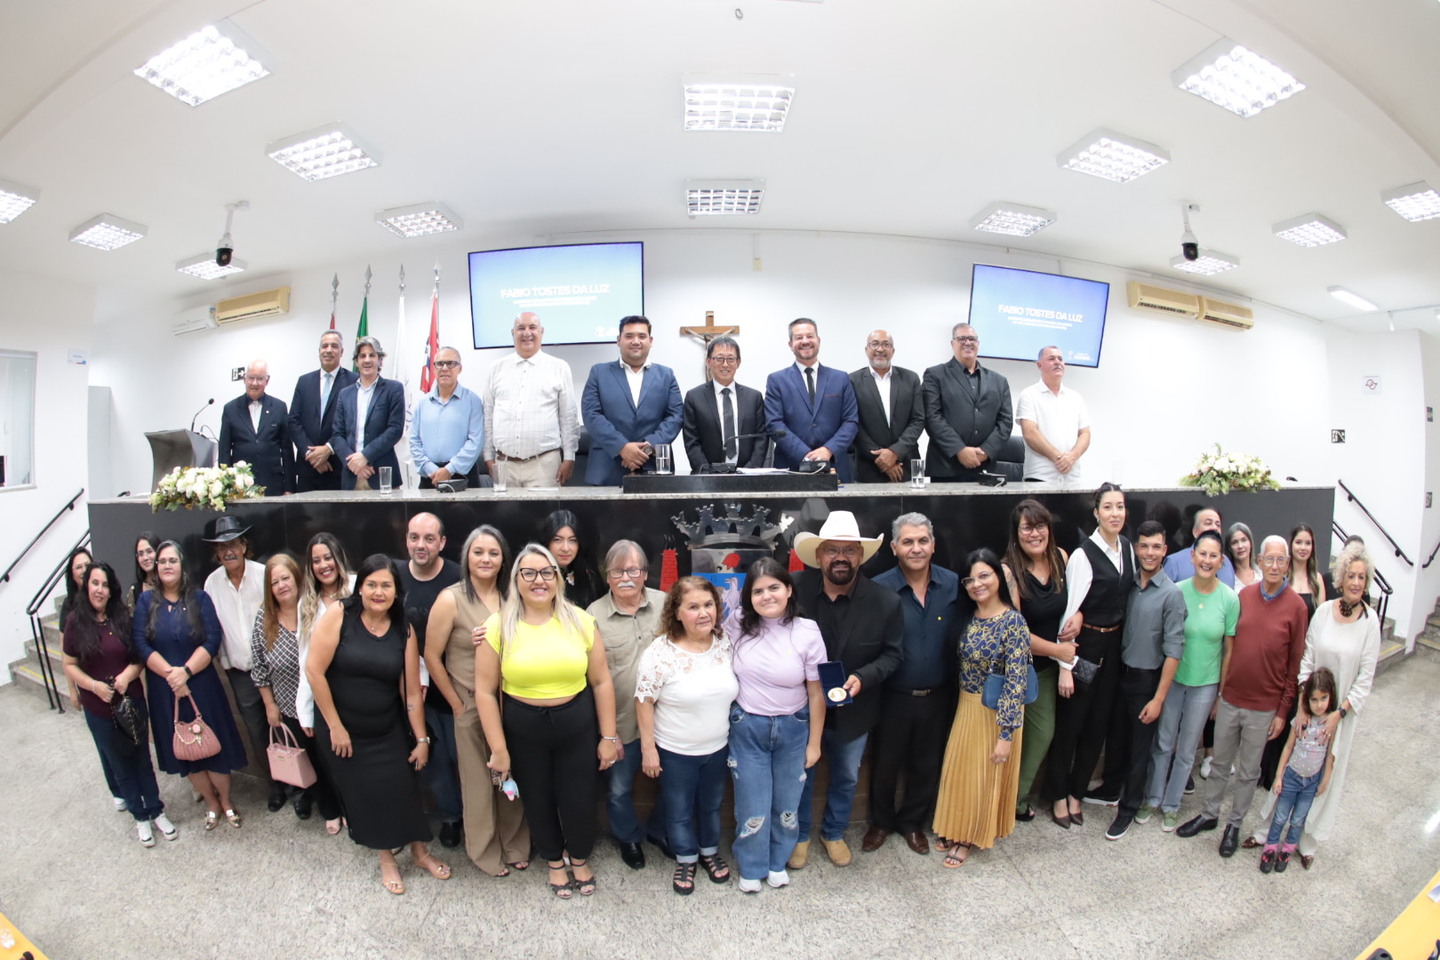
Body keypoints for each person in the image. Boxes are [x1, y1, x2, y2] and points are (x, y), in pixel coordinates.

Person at [473, 544, 621, 899]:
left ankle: (579, 858)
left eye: (546, 572)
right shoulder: (497, 626)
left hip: (576, 725)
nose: (538, 580)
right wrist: (498, 749)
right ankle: (554, 861)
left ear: (558, 578)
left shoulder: (581, 621)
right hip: (523, 729)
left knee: (579, 798)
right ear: (516, 579)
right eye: (528, 573)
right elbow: (484, 692)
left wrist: (608, 737)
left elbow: (602, 681)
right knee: (537, 799)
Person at [307, 554, 449, 895]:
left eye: (386, 585)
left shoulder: (404, 629)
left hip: (387, 729)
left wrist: (422, 739)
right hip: (343, 731)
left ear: (396, 591)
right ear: (360, 587)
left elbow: (411, 692)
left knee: (404, 790)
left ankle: (419, 853)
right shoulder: (340, 615)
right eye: (371, 584)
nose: (378, 592)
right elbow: (314, 670)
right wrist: (335, 726)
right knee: (368, 796)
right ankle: (387, 859)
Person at [1245, 541, 1381, 870]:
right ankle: (1266, 831)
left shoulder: (1370, 622)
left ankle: (1307, 840)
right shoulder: (1323, 612)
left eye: (1361, 577)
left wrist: (1338, 714)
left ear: (1367, 582)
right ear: (1341, 577)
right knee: (1290, 769)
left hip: (1341, 716)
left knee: (1324, 777)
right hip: (1309, 706)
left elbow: (1365, 678)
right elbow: (1306, 658)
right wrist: (1304, 704)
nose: (1355, 582)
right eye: (1351, 575)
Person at [1178, 535, 1307, 857]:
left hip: (1264, 706)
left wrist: (1282, 711)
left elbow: (1295, 664)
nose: (1274, 565)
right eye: (1269, 559)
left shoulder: (1297, 607)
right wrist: (1221, 693)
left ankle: (1234, 824)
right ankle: (1209, 814)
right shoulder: (1243, 596)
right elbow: (1229, 645)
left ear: (1287, 565)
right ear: (1259, 561)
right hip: (1232, 697)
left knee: (1249, 772)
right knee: (1219, 762)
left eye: (1281, 560)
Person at [791, 510, 903, 868]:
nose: (841, 557)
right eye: (832, 550)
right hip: (802, 707)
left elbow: (893, 655)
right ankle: (799, 835)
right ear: (819, 555)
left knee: (846, 776)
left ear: (861, 556)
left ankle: (834, 832)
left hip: (856, 710)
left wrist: (864, 677)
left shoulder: (886, 601)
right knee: (801, 775)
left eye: (850, 550)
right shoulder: (793, 591)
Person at [425, 525, 531, 877]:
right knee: (477, 784)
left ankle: (515, 844)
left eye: (493, 553)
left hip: (510, 702)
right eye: (478, 552)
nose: (486, 559)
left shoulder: (513, 597)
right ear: (466, 557)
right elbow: (431, 656)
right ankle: (484, 852)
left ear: (504, 559)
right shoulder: (450, 599)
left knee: (510, 776)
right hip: (470, 704)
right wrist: (456, 703)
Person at [723, 558, 826, 893]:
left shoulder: (807, 630)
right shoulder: (737, 623)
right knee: (752, 803)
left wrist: (814, 743)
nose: (766, 596)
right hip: (748, 726)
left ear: (789, 590)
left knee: (787, 803)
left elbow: (817, 692)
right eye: (758, 591)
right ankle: (751, 866)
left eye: (774, 588)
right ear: (748, 597)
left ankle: (777, 862)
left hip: (794, 728)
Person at [134, 541, 248, 830]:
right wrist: (172, 676)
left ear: (182, 565)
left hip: (201, 684)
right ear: (156, 568)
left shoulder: (200, 598)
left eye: (172, 560)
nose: (167, 566)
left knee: (214, 749)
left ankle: (226, 801)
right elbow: (141, 644)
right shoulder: (146, 602)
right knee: (187, 752)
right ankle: (211, 803)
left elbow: (212, 639)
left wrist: (185, 672)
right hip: (165, 690)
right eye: (162, 561)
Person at [635, 577, 739, 895]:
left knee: (711, 805)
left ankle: (709, 852)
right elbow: (644, 701)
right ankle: (686, 858)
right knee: (679, 811)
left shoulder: (724, 642)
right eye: (693, 607)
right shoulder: (660, 652)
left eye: (708, 605)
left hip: (717, 748)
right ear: (677, 612)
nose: (703, 613)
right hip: (675, 752)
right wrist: (649, 750)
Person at [865, 512, 958, 855]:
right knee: (885, 764)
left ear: (933, 545)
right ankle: (881, 822)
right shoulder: (879, 588)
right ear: (894, 548)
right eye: (907, 542)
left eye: (922, 541)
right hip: (892, 696)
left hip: (938, 694)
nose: (916, 548)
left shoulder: (953, 584)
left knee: (926, 764)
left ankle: (912, 823)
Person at [62, 561, 174, 846]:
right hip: (99, 709)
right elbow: (70, 664)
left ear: (112, 590)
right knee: (119, 765)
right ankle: (140, 816)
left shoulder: (123, 617)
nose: (99, 590)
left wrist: (126, 676)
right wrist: (92, 686)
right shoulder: (75, 622)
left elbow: (139, 658)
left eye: (105, 585)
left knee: (142, 759)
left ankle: (156, 810)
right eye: (94, 583)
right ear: (86, 586)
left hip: (131, 703)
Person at [932, 548, 1032, 867]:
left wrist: (1006, 735)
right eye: (970, 579)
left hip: (995, 712)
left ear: (998, 577)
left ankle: (968, 836)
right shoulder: (968, 616)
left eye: (984, 575)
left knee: (980, 776)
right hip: (966, 705)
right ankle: (954, 826)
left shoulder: (1013, 622)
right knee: (959, 771)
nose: (977, 584)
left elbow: (1016, 681)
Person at [1044, 482, 1132, 828]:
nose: (1115, 513)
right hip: (1085, 649)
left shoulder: (1126, 547)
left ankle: (1077, 793)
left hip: (1113, 648)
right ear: (1096, 513)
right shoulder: (1083, 555)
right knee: (1071, 727)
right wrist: (1066, 668)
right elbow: (1069, 613)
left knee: (1097, 728)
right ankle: (1057, 795)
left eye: (1120, 506)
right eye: (1107, 507)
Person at [1141, 530, 1235, 832]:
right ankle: (1152, 798)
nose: (1207, 560)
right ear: (1192, 556)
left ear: (1221, 561)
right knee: (1163, 742)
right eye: (1202, 554)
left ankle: (1172, 805)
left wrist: (1220, 693)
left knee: (1186, 750)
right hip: (1174, 680)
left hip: (1205, 685)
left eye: (1213, 556)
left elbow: (1229, 650)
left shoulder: (1229, 599)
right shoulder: (1176, 591)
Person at [586, 540, 667, 870]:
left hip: (668, 721)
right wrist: (607, 733)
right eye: (618, 571)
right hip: (620, 723)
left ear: (645, 574)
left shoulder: (666, 604)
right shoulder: (593, 615)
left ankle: (660, 830)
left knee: (674, 785)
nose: (626, 578)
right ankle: (628, 837)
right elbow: (591, 678)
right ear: (607, 576)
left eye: (633, 570)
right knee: (618, 790)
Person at [1102, 521, 1185, 841]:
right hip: (1120, 676)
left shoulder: (1172, 595)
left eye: (1156, 547)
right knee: (1117, 741)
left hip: (1147, 682)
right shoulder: (1130, 584)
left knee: (1139, 752)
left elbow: (1174, 651)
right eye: (1145, 546)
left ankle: (1129, 808)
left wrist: (1158, 699)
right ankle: (1111, 790)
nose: (1150, 552)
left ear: (1165, 551)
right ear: (1136, 548)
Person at [249, 553, 340, 828]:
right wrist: (270, 704)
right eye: (274, 582)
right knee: (311, 761)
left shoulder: (311, 609)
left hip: (323, 703)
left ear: (297, 578)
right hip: (289, 708)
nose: (281, 585)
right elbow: (259, 666)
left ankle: (347, 807)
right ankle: (330, 810)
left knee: (332, 760)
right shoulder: (264, 618)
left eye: (285, 578)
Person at [1000, 500, 1076, 821]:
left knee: (1045, 735)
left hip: (1053, 670)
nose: (1035, 534)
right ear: (1016, 533)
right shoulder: (1008, 571)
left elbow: (1074, 604)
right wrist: (1058, 651)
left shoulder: (1061, 558)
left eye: (1040, 526)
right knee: (1010, 740)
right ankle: (1003, 805)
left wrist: (1078, 618)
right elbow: (1016, 633)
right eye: (1027, 528)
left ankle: (1015, 802)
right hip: (1020, 671)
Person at [200, 514, 279, 811]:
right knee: (257, 732)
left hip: (274, 668)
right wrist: (224, 661)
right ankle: (276, 786)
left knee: (286, 726)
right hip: (240, 673)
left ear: (245, 546)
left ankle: (302, 788)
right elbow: (212, 628)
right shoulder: (212, 583)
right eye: (222, 547)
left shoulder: (264, 574)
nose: (228, 551)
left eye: (233, 544)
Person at [397, 512, 464, 848]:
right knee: (435, 764)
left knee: (462, 759)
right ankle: (451, 817)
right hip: (417, 695)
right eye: (414, 537)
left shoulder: (458, 577)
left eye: (428, 538)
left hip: (456, 690)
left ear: (442, 542)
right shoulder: (394, 576)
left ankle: (476, 816)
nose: (420, 545)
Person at [296, 532, 355, 835]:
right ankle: (343, 809)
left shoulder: (357, 587)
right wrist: (305, 709)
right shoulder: (306, 604)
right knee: (335, 760)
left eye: (327, 557)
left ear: (338, 557)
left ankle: (362, 812)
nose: (323, 565)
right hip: (325, 694)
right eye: (316, 560)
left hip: (358, 691)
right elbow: (305, 660)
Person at [580, 315, 683, 485]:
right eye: (629, 336)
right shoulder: (599, 373)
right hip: (607, 468)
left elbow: (676, 416)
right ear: (618, 340)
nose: (636, 341)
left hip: (654, 466)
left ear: (650, 341)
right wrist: (622, 447)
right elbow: (591, 415)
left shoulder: (666, 375)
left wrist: (648, 447)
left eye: (642, 336)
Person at [482, 312, 580, 488]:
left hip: (545, 465)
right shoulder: (496, 369)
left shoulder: (559, 367)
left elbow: (568, 417)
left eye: (532, 327)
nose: (527, 333)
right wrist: (488, 456)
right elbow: (488, 416)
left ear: (541, 331)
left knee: (545, 508)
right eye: (521, 328)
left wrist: (569, 458)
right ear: (513, 333)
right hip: (504, 464)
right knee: (504, 508)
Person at [1259, 667, 1338, 874]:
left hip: (1311, 782)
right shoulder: (1301, 721)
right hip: (1291, 777)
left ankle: (1287, 850)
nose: (1319, 704)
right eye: (1314, 699)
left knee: (1297, 820)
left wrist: (1325, 781)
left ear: (1330, 696)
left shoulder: (1331, 725)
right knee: (1280, 816)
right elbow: (1287, 748)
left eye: (1323, 698)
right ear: (1307, 700)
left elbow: (1330, 755)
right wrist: (1279, 777)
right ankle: (1270, 847)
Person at [763, 318, 860, 480]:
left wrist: (828, 450)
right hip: (791, 467)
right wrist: (807, 455)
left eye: (810, 336)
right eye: (799, 337)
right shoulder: (777, 380)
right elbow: (774, 424)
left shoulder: (840, 378)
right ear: (790, 344)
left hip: (835, 465)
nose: (805, 341)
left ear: (818, 340)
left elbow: (851, 421)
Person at [921, 323, 1013, 481]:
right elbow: (932, 417)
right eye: (962, 338)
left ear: (978, 343)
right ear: (952, 344)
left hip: (984, 467)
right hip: (946, 467)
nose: (967, 342)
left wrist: (986, 451)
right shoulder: (935, 375)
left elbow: (1005, 421)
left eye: (972, 339)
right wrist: (959, 450)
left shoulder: (999, 381)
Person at [848, 329, 925, 483]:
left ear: (893, 350)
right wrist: (882, 458)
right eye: (875, 344)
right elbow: (853, 423)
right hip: (868, 466)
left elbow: (918, 420)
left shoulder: (911, 378)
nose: (880, 349)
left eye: (886, 344)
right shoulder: (852, 381)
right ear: (866, 349)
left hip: (907, 464)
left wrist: (895, 452)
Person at [681, 336, 767, 471]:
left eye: (731, 359)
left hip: (747, 474)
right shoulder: (694, 397)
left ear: (738, 362)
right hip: (708, 475)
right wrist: (706, 472)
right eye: (719, 359)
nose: (725, 364)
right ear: (708, 362)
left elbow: (761, 438)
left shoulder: (754, 397)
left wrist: (750, 471)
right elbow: (691, 441)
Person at [330, 336, 405, 490]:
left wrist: (365, 456)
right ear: (356, 362)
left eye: (372, 355)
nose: (367, 360)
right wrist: (354, 464)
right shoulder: (345, 394)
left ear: (380, 360)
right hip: (352, 477)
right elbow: (337, 435)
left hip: (382, 476)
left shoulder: (393, 389)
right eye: (362, 356)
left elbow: (395, 430)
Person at [289, 330, 357, 492]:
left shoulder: (354, 381)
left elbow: (353, 423)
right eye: (324, 346)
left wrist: (328, 448)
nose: (328, 350)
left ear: (342, 352)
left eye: (334, 346)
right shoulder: (304, 381)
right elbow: (293, 421)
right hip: (308, 468)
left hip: (339, 467)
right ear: (319, 350)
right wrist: (311, 455)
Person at [410, 345, 486, 489]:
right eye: (440, 364)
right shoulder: (422, 404)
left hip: (463, 476)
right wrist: (432, 470)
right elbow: (414, 441)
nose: (444, 368)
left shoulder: (473, 401)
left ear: (460, 369)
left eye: (451, 363)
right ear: (434, 369)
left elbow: (476, 442)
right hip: (430, 477)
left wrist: (449, 470)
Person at [217, 359, 295, 495]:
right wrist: (226, 486)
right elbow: (224, 450)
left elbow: (287, 450)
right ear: (244, 379)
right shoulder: (230, 409)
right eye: (251, 378)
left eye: (259, 379)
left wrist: (289, 487)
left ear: (267, 380)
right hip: (240, 487)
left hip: (273, 485)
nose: (254, 383)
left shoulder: (279, 407)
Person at [1016, 345, 1091, 484]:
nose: (1057, 362)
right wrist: (1059, 459)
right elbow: (1030, 433)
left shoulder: (1075, 397)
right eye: (1051, 359)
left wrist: (1072, 457)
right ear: (1039, 365)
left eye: (1060, 359)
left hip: (1072, 478)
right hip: (1040, 477)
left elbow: (1085, 434)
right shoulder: (1029, 395)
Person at [539, 509, 603, 609]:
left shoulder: (589, 578)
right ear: (547, 541)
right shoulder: (535, 577)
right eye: (557, 540)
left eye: (572, 540)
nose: (565, 548)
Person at [1163, 508, 1236, 587]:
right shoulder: (1174, 562)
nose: (1214, 528)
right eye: (1208, 523)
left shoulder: (1226, 562)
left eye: (1218, 525)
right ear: (1195, 532)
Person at [60, 546, 95, 711]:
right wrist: (72, 689)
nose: (84, 570)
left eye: (87, 565)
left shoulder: (105, 595)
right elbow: (65, 651)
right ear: (72, 574)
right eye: (78, 567)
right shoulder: (69, 606)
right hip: (86, 679)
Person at [1288, 523, 1328, 620]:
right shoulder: (1282, 576)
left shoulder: (1317, 579)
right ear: (1291, 544)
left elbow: (1321, 619)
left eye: (1308, 543)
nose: (1303, 548)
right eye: (1298, 542)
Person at [1226, 522, 1262, 590]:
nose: (1240, 546)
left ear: (1251, 543)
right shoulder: (1226, 580)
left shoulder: (1261, 575)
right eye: (1234, 542)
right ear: (1229, 548)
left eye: (1244, 540)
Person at [130, 532, 161, 609]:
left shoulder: (171, 584)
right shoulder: (135, 591)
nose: (145, 558)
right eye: (141, 554)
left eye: (149, 551)